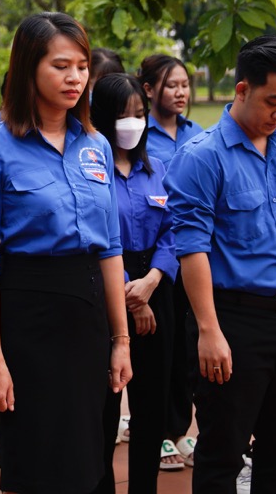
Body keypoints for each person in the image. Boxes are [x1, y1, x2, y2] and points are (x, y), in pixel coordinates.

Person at [164, 36, 276, 494]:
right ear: (242, 90)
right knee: (222, 453)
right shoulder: (202, 157)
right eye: (272, 101)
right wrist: (208, 329)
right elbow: (192, 249)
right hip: (233, 321)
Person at [0, 12, 132, 494]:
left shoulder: (96, 146)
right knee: (37, 460)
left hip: (88, 313)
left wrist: (121, 339)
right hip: (27, 315)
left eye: (81, 66)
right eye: (61, 66)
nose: (75, 78)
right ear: (28, 69)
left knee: (88, 457)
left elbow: (111, 247)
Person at [89, 72, 178, 492]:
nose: (133, 123)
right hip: (107, 290)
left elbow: (174, 230)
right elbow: (95, 237)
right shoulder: (89, 169)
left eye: (140, 114)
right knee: (104, 408)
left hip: (157, 291)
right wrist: (131, 293)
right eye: (123, 115)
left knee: (151, 408)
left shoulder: (156, 168)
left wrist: (152, 281)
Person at [137, 53, 203, 463]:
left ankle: (180, 428)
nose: (180, 93)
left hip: (193, 256)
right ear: (148, 90)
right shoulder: (139, 137)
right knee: (158, 352)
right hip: (159, 260)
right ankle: (157, 428)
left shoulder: (198, 135)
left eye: (184, 85)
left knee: (188, 348)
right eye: (171, 85)